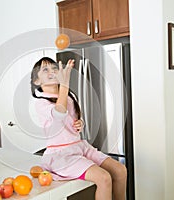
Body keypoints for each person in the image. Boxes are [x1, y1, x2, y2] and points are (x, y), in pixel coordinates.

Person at [30, 57, 127, 200]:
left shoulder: (69, 96)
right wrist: (64, 85)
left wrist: (79, 123)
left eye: (54, 68)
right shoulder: (41, 103)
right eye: (45, 69)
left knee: (120, 170)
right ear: (37, 81)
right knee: (104, 178)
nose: (52, 71)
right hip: (61, 155)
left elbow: (71, 120)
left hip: (81, 147)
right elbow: (59, 114)